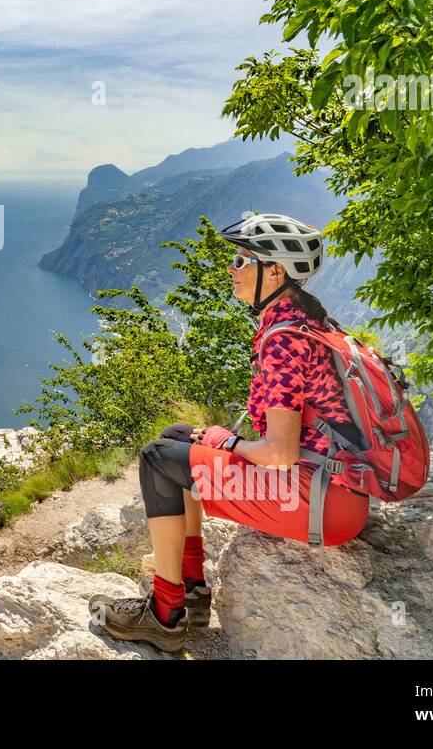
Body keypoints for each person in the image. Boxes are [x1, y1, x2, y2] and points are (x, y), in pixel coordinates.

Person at [88, 213, 370, 653]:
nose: (231, 269)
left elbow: (278, 453)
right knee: (178, 436)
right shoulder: (307, 322)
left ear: (274, 271)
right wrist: (216, 439)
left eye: (242, 260)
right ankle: (194, 590)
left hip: (317, 502)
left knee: (156, 458)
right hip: (335, 490)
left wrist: (228, 441)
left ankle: (165, 615)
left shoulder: (284, 338)